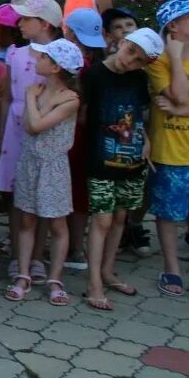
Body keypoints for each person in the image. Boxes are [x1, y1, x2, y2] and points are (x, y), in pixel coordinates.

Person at [81, 27, 161, 310]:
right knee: (101, 219)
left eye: (139, 60)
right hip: (100, 158)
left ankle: (107, 270)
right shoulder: (94, 75)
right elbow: (83, 117)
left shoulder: (139, 79)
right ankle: (93, 282)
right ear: (121, 42)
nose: (130, 62)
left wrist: (146, 141)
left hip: (131, 159)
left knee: (120, 217)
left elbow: (140, 116)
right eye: (130, 52)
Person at [5, 38, 82, 307]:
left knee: (57, 223)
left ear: (55, 67)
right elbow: (28, 125)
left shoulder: (70, 98)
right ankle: (24, 274)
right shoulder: (40, 91)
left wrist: (31, 99)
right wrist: (37, 104)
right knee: (27, 219)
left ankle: (55, 278)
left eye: (44, 58)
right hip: (31, 161)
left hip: (53, 166)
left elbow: (37, 125)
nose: (37, 60)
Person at [145, 0, 189, 301]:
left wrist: (179, 111)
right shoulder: (158, 62)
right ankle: (172, 268)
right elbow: (181, 94)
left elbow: (184, 104)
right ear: (174, 25)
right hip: (170, 152)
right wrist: (173, 56)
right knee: (169, 214)